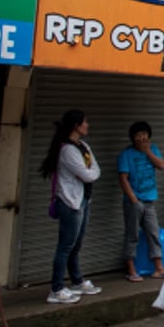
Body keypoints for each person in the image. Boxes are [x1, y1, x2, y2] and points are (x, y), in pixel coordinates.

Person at [40, 110, 102, 304]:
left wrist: (88, 172)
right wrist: (88, 172)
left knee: (76, 245)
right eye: (85, 122)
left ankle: (77, 281)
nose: (88, 125)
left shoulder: (83, 146)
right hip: (70, 202)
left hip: (83, 200)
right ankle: (56, 288)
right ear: (76, 125)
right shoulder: (67, 150)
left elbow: (95, 170)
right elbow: (88, 175)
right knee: (65, 246)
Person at [119, 121, 164, 282]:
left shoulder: (152, 149)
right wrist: (133, 199)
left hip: (150, 199)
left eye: (144, 134)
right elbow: (123, 178)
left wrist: (147, 152)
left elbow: (161, 165)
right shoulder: (126, 154)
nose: (142, 137)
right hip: (134, 201)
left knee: (153, 232)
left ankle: (159, 267)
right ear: (133, 137)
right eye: (138, 134)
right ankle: (131, 269)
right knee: (132, 234)